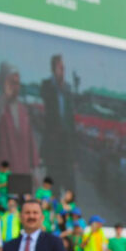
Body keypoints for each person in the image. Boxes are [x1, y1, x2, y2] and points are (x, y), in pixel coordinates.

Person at [0, 62, 39, 177]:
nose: (16, 87)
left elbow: (31, 141)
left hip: (22, 173)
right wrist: (5, 97)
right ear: (4, 84)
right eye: (12, 83)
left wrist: (35, 169)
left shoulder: (23, 111)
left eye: (18, 83)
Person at [40, 54, 76, 194]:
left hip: (66, 145)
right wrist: (57, 82)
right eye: (60, 67)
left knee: (69, 186)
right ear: (54, 68)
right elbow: (46, 97)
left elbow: (71, 120)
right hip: (53, 143)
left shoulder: (67, 89)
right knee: (53, 183)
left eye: (64, 68)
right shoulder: (47, 85)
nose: (63, 71)